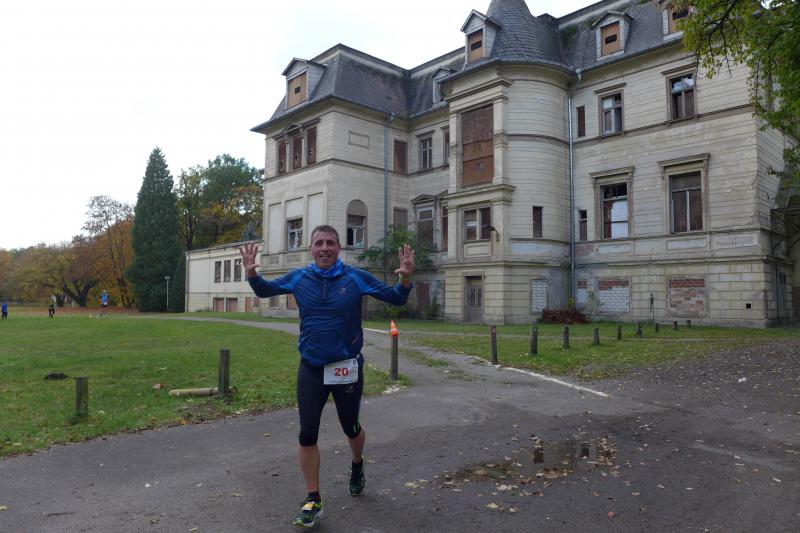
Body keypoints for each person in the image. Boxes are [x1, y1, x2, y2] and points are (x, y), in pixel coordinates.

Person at [239, 224, 414, 528]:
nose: (324, 248)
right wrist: (252, 274)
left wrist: (406, 277)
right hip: (311, 367)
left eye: (330, 243)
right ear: (310, 248)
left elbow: (396, 298)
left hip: (346, 367)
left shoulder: (355, 277)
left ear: (338, 248)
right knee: (307, 433)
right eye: (319, 243)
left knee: (351, 427)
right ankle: (313, 498)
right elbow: (265, 290)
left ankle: (357, 465)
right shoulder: (299, 277)